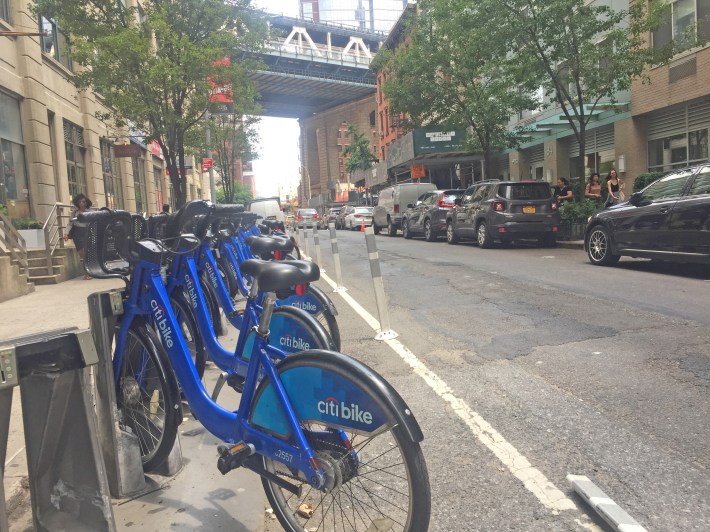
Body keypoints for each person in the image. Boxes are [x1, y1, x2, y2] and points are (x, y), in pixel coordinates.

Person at [65, 193, 93, 279]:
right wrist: (66, 233)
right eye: (80, 201)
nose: (82, 203)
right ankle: (87, 273)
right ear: (77, 203)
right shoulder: (74, 213)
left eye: (83, 201)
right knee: (82, 254)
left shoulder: (90, 212)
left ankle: (89, 272)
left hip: (87, 232)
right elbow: (70, 224)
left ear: (86, 202)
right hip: (77, 233)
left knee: (87, 253)